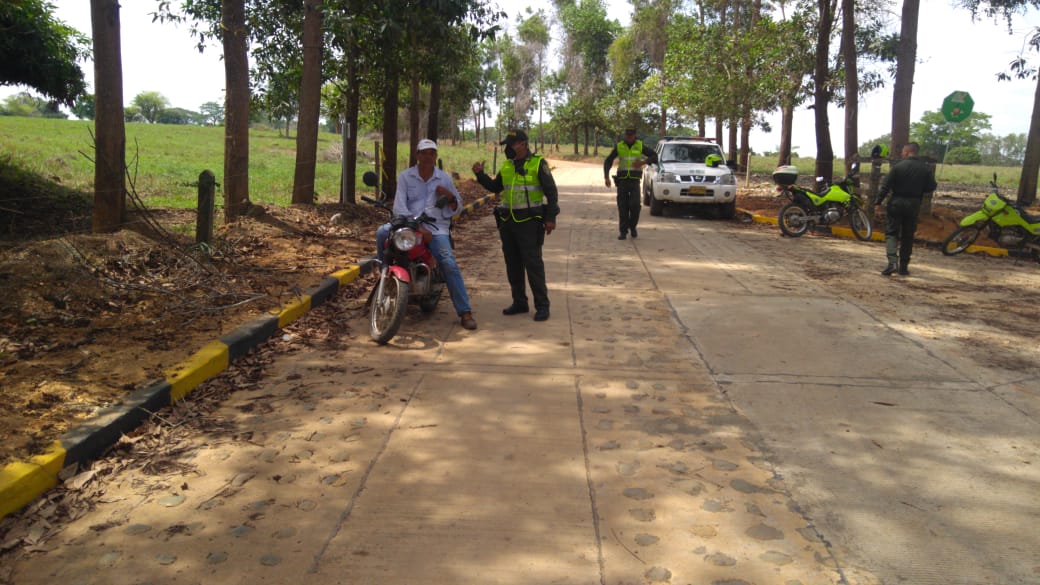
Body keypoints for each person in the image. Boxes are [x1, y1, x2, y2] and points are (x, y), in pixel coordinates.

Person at [376, 138, 477, 330]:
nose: (428, 157)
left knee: (448, 263)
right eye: (424, 153)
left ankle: (465, 312)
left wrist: (449, 196)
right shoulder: (406, 176)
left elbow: (457, 207)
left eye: (432, 153)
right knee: (381, 233)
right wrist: (416, 227)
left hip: (436, 227)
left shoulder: (444, 178)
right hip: (407, 223)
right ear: (417, 155)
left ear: (435, 156)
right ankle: (384, 276)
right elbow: (399, 206)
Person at [471, 129, 560, 322]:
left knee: (533, 264)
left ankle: (542, 305)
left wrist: (550, 218)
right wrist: (480, 175)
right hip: (508, 222)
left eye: (511, 145)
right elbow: (496, 188)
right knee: (513, 265)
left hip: (530, 222)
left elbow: (551, 193)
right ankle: (519, 302)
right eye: (507, 146)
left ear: (523, 144)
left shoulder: (538, 163)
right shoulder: (507, 166)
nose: (508, 149)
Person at [874, 142, 937, 276]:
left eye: (903, 151)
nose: (902, 154)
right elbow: (931, 186)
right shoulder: (925, 169)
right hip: (914, 203)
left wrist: (878, 202)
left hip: (896, 202)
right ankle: (903, 267)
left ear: (908, 152)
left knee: (891, 233)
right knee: (908, 236)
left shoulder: (898, 167)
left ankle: (892, 263)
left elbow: (885, 186)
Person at [603, 127, 657, 239]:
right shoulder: (620, 146)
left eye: (631, 135)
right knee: (622, 206)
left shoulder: (640, 146)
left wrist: (643, 162)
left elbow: (654, 156)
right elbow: (608, 161)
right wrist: (606, 177)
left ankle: (632, 227)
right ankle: (623, 232)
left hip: (634, 181)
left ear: (635, 135)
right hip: (622, 181)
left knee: (635, 205)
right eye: (627, 135)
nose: (629, 137)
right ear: (625, 135)